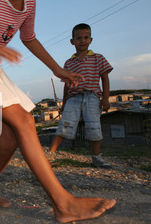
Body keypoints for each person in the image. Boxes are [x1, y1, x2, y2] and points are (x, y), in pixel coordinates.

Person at [0, 0, 116, 222]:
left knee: (8, 142)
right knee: (25, 120)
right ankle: (63, 204)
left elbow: (29, 37)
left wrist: (58, 70)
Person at [48, 23, 112, 168]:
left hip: (92, 97)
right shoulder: (69, 63)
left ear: (91, 40)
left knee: (94, 127)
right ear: (72, 41)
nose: (82, 41)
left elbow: (105, 78)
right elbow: (66, 84)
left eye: (86, 37)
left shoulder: (98, 58)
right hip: (73, 97)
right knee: (65, 125)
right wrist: (64, 103)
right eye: (79, 38)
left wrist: (105, 99)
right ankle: (51, 154)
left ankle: (96, 158)